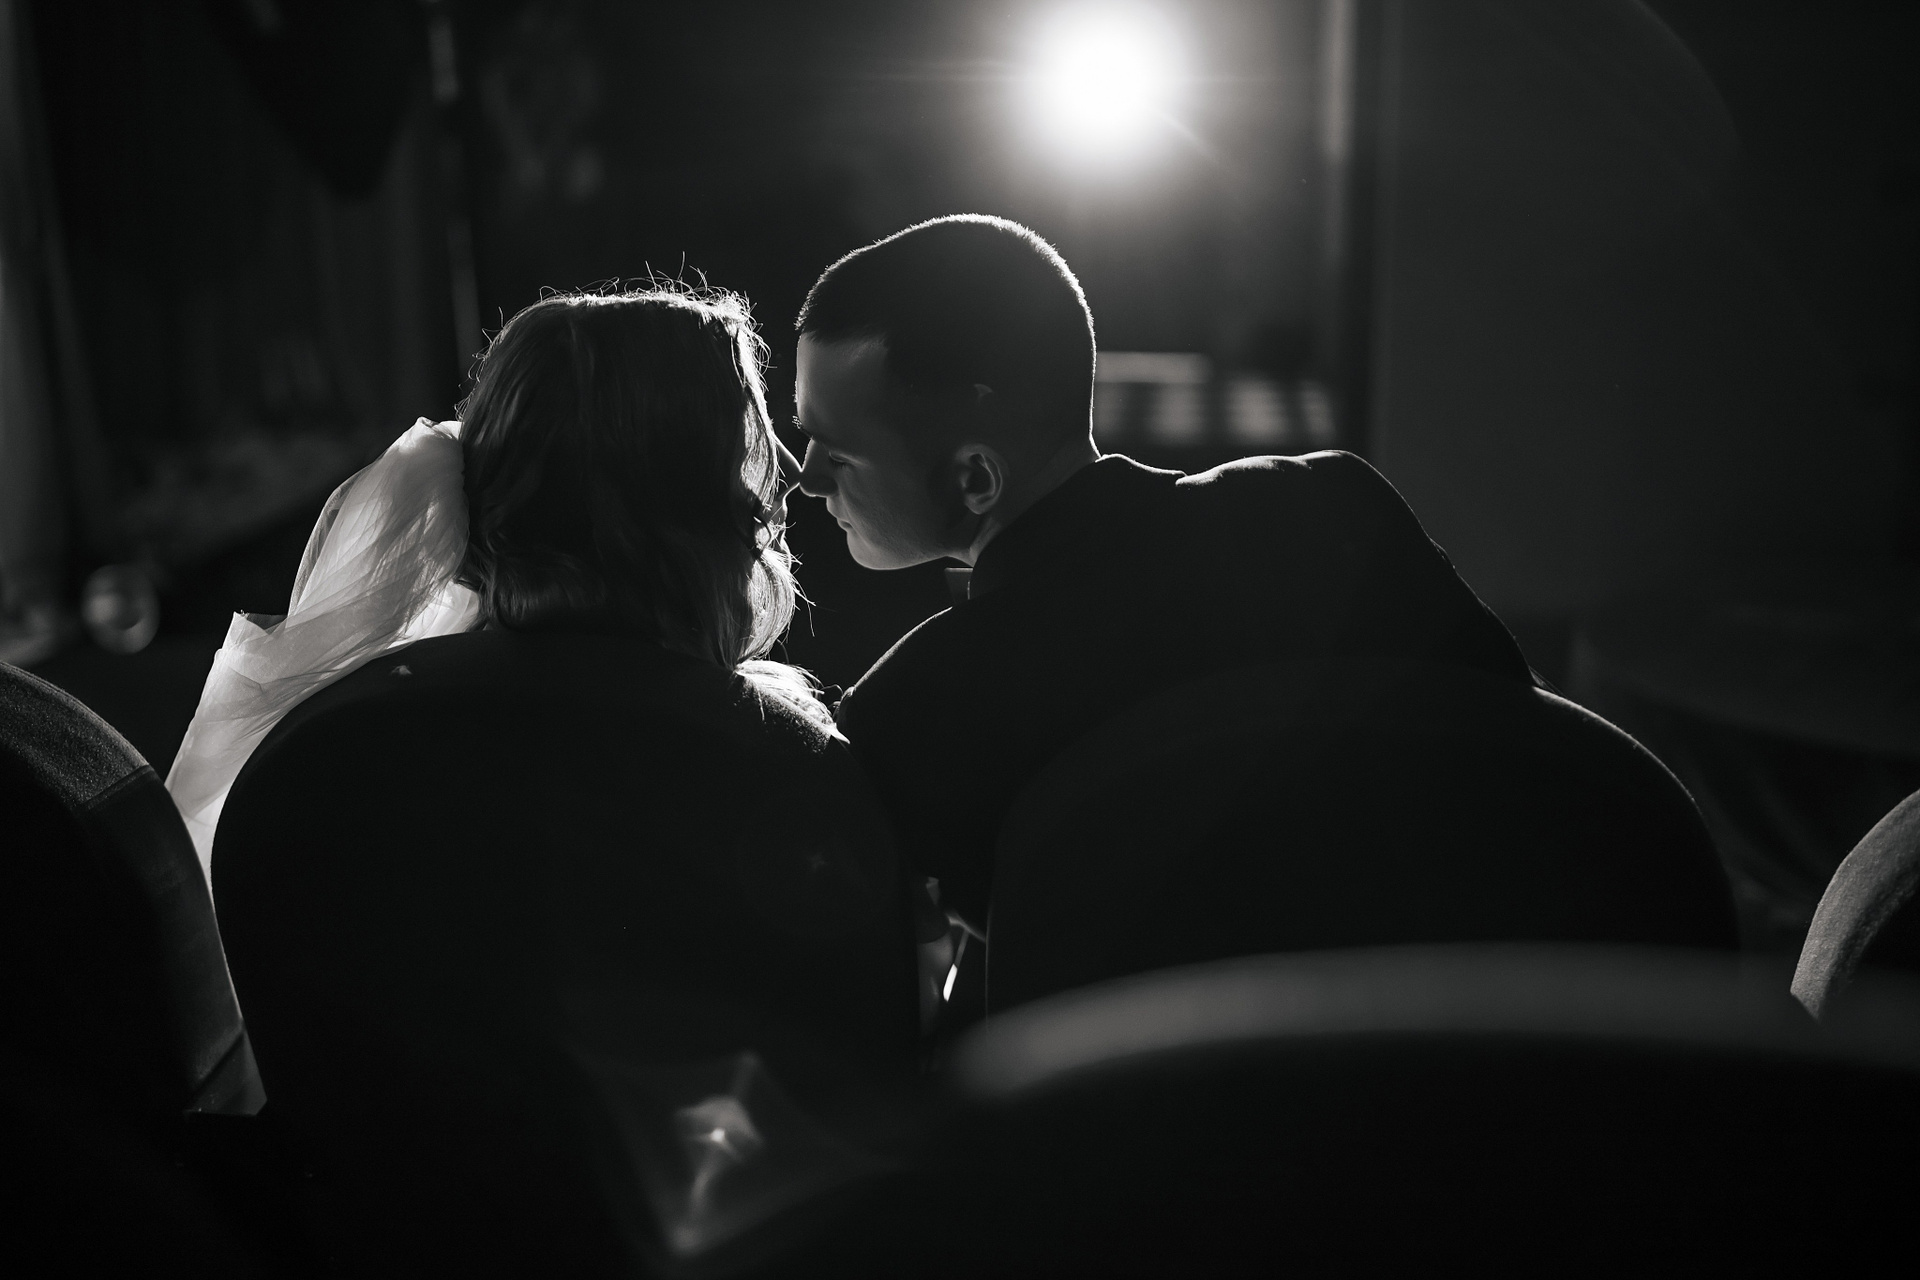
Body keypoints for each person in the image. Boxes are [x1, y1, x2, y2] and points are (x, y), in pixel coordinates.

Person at [792, 214, 1734, 961]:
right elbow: (1531, 776)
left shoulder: (909, 719)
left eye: (835, 450)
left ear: (975, 478)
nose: (806, 479)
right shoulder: (1330, 508)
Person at [167, 285, 821, 875]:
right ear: (677, 502)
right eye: (742, 445)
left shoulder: (341, 746)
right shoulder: (765, 757)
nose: (786, 473)